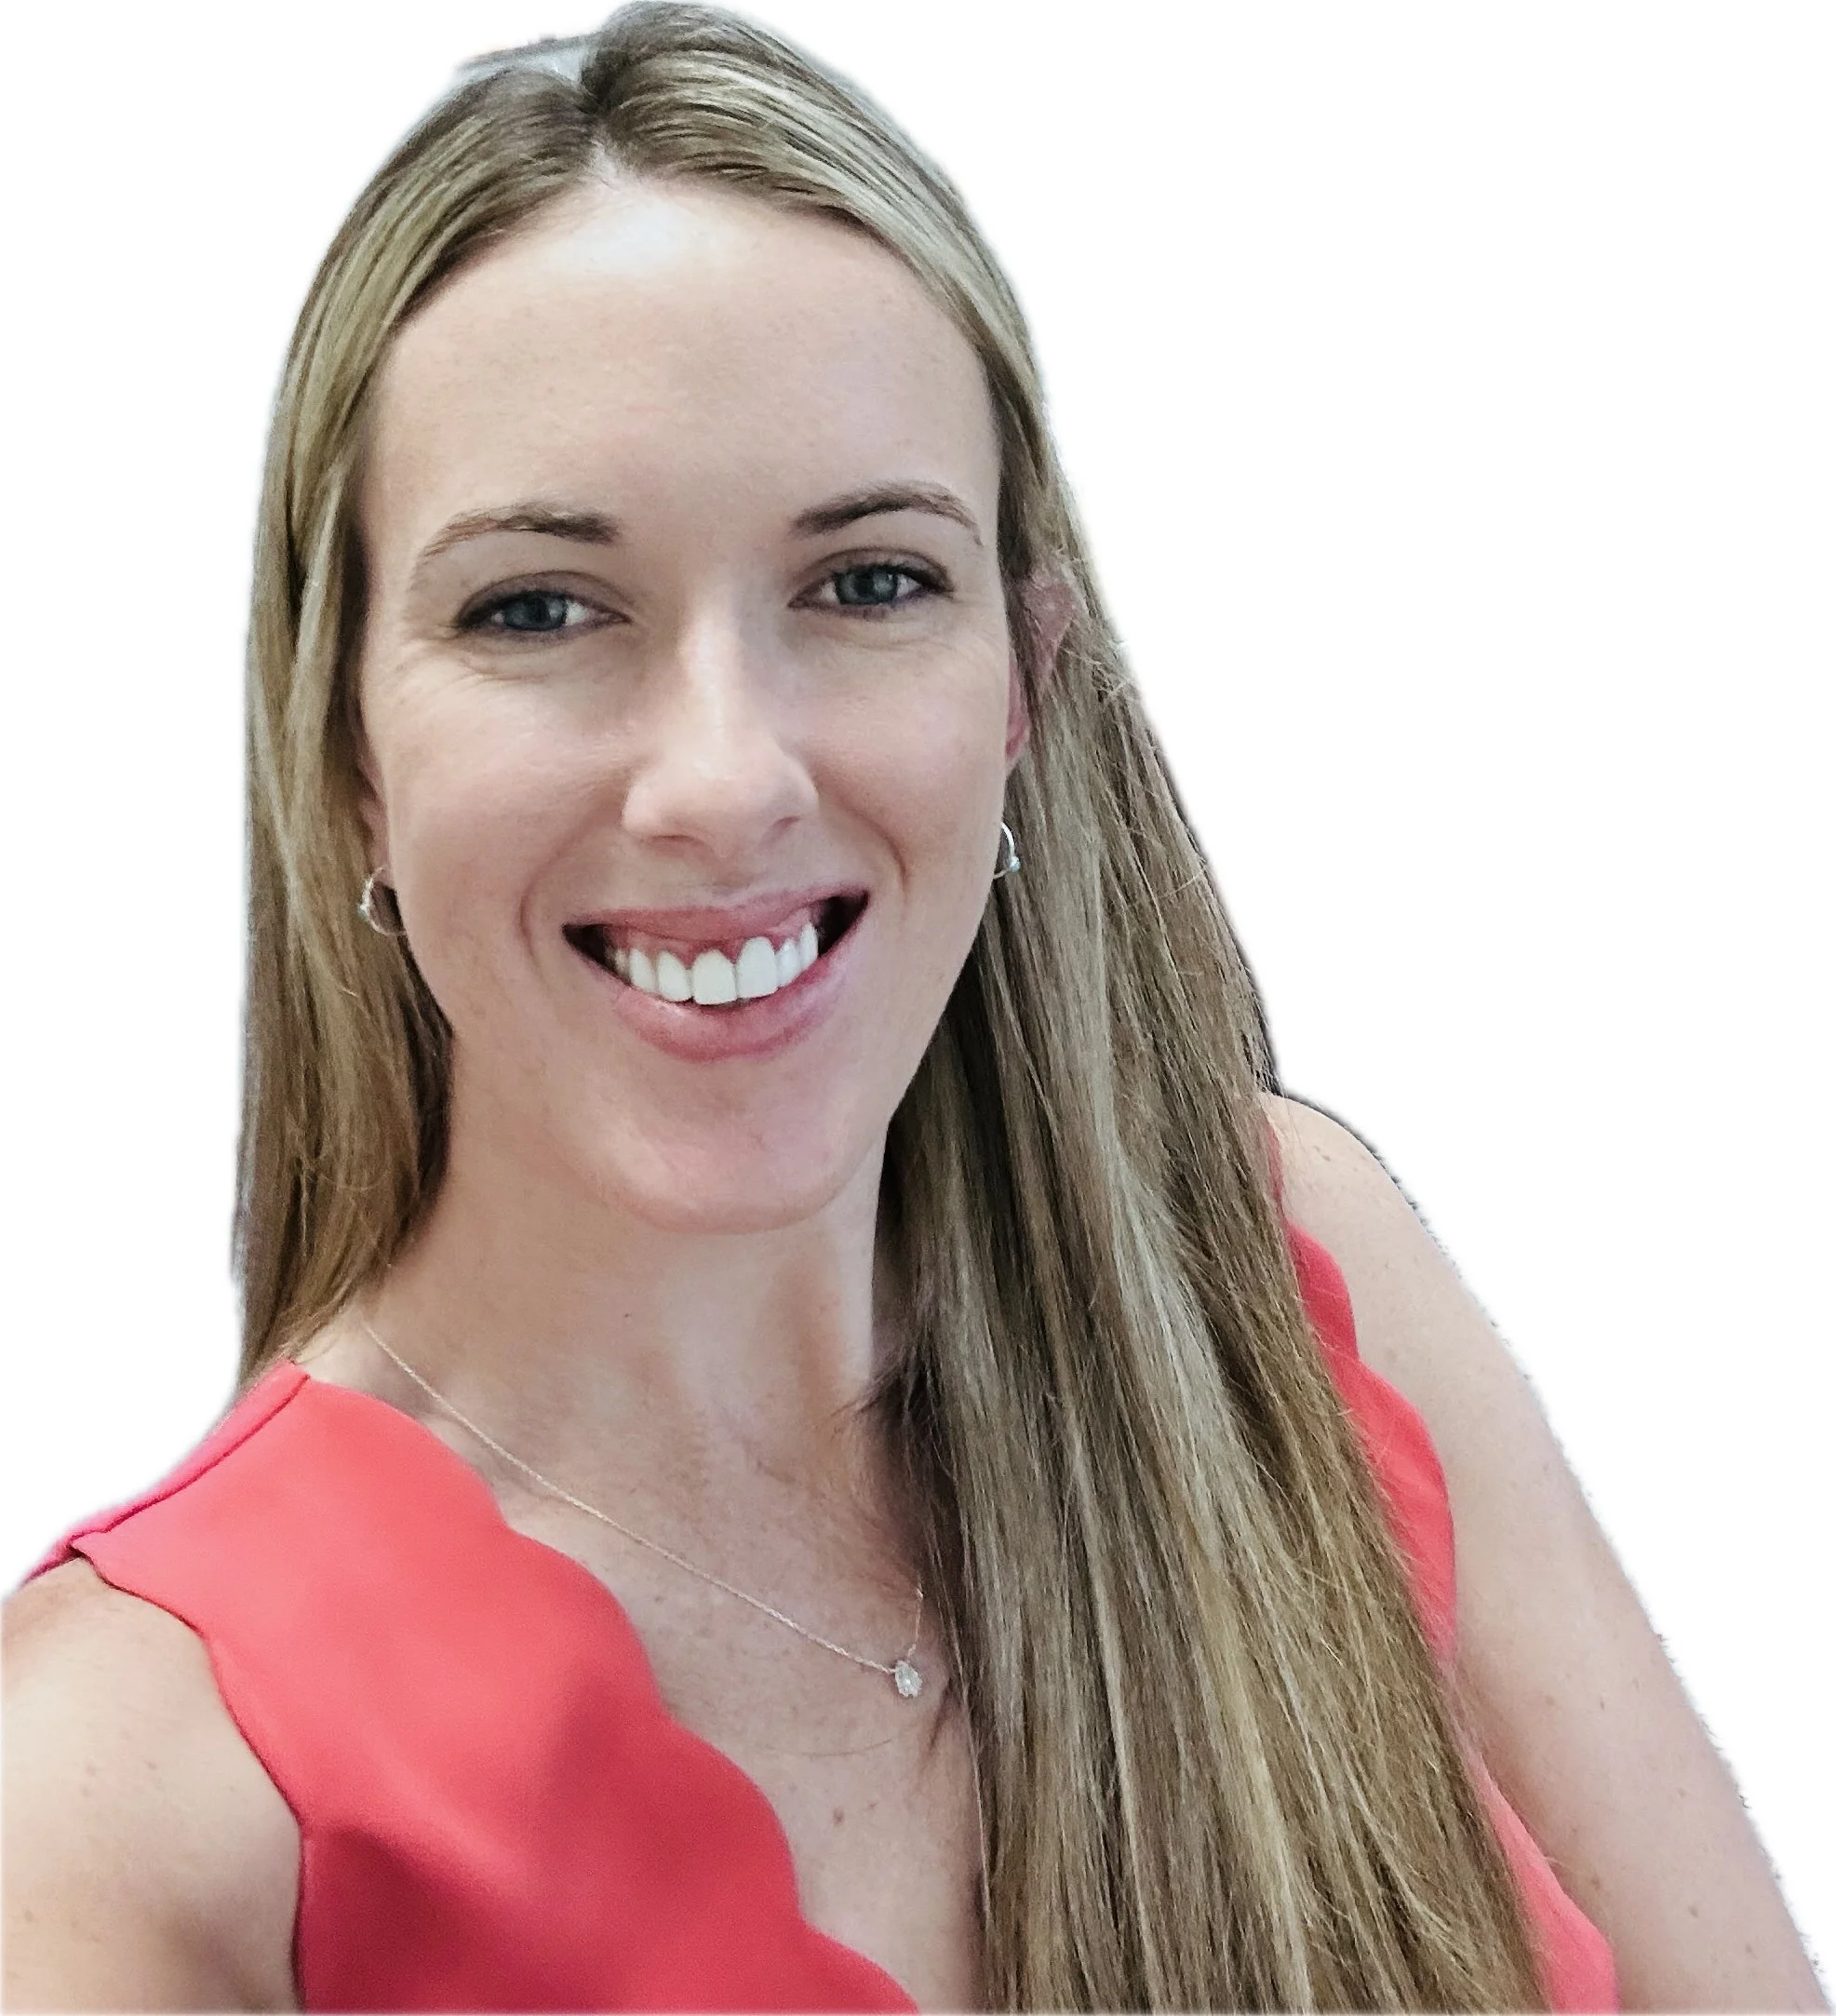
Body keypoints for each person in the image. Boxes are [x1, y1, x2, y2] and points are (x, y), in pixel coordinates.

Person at [3, 6, 1824, 2010]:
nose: (724, 778)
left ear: (1027, 681)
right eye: (539, 608)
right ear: (341, 745)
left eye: (865, 584)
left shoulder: (1288, 1289)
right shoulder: (128, 1786)